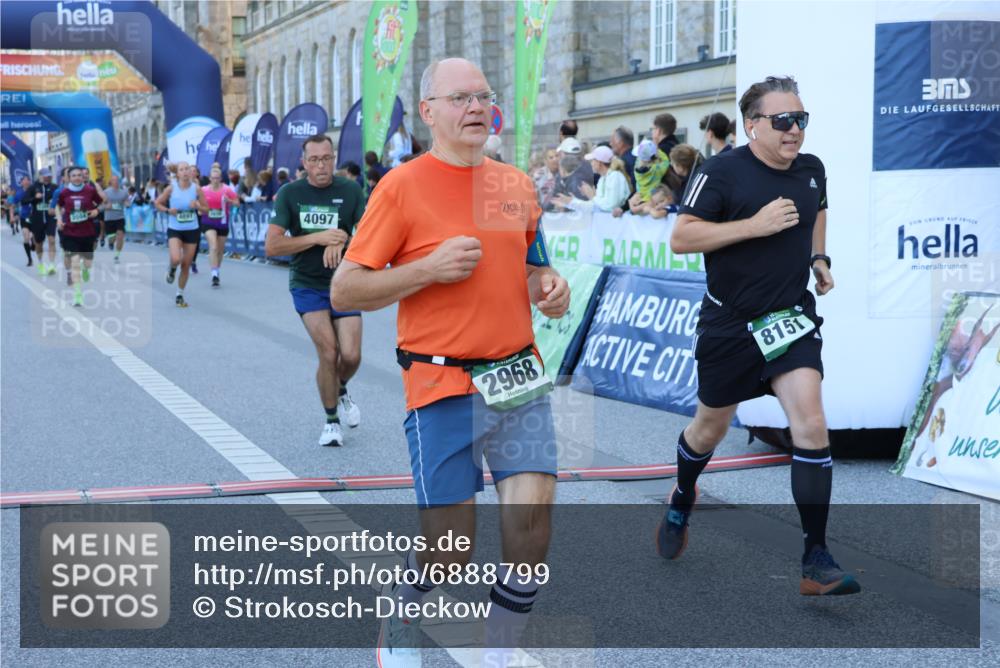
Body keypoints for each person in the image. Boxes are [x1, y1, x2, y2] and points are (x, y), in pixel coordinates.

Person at [332, 57, 570, 668]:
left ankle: (498, 652)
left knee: (532, 524)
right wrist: (426, 271)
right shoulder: (401, 186)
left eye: (483, 96)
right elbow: (347, 290)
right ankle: (403, 616)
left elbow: (532, 264)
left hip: (516, 376)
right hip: (440, 380)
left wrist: (549, 285)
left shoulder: (512, 184)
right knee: (449, 551)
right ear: (428, 111)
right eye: (459, 97)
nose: (475, 108)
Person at [663, 76, 854, 596]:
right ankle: (682, 494)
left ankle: (816, 559)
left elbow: (818, 210)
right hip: (730, 324)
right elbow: (681, 237)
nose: (795, 130)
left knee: (811, 423)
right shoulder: (721, 172)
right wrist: (754, 225)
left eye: (801, 120)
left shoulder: (812, 169)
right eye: (783, 121)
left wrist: (819, 258)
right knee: (709, 429)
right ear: (752, 126)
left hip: (789, 319)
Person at [264, 134, 366, 447]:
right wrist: (319, 237)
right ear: (304, 163)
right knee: (329, 351)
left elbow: (369, 237)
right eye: (314, 160)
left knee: (351, 355)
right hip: (307, 284)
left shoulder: (350, 190)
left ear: (334, 159)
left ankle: (341, 386)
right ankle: (331, 421)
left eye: (326, 158)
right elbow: (272, 246)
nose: (321, 165)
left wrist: (342, 241)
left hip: (345, 282)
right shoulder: (289, 193)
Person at [155, 162, 207, 307]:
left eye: (187, 170)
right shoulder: (171, 188)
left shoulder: (196, 189)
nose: (185, 172)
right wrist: (167, 210)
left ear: (191, 173)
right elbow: (157, 203)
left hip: (192, 229)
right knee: (176, 258)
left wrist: (198, 206)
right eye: (182, 170)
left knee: (185, 265)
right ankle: (171, 269)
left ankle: (179, 294)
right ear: (177, 174)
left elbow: (207, 208)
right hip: (175, 228)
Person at [56, 166, 103, 306]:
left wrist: (96, 211)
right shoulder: (64, 192)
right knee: (75, 262)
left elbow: (101, 204)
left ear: (83, 177)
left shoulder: (90, 190)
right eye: (74, 175)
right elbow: (57, 206)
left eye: (79, 175)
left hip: (87, 231)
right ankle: (78, 295)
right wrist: (59, 219)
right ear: (69, 178)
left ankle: (86, 269)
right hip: (70, 231)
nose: (77, 177)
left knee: (87, 262)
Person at [551, 145, 630, 213]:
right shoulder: (602, 179)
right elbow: (595, 207)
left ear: (599, 162)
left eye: (593, 161)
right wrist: (571, 202)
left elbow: (610, 206)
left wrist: (592, 196)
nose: (591, 163)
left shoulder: (615, 176)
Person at [200, 167, 239, 287]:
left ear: (221, 178)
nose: (215, 180)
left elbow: (237, 202)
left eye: (217, 178)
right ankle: (214, 275)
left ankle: (216, 270)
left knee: (220, 250)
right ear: (210, 179)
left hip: (222, 223)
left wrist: (230, 201)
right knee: (213, 246)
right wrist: (200, 210)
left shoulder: (227, 189)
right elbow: (198, 204)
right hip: (207, 222)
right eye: (213, 178)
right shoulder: (203, 190)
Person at [24, 169, 59, 273]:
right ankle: (40, 263)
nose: (47, 178)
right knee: (39, 243)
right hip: (37, 219)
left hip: (50, 218)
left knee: (52, 240)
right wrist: (35, 198)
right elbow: (24, 201)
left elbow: (61, 200)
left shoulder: (54, 187)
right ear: (40, 176)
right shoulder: (33, 187)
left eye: (49, 176)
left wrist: (54, 202)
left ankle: (52, 265)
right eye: (45, 176)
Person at [101, 174, 128, 263]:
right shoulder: (106, 192)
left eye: (117, 180)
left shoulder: (124, 192)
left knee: (120, 235)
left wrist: (127, 204)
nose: (115, 182)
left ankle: (117, 255)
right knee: (112, 238)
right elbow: (100, 205)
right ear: (111, 182)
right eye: (114, 180)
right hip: (109, 218)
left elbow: (126, 201)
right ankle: (110, 242)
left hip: (120, 217)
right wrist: (106, 206)